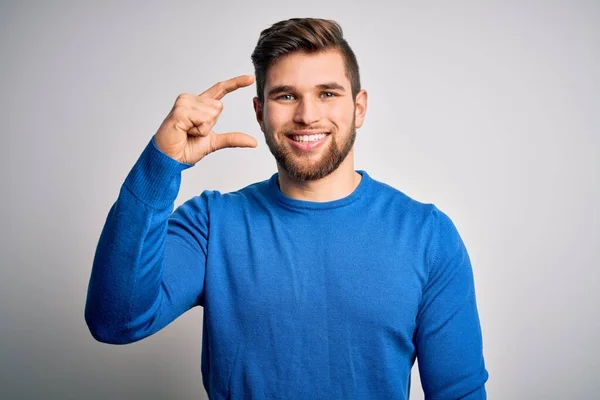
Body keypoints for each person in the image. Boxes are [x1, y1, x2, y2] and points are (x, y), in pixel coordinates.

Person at [85, 17, 488, 399]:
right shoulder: (212, 224)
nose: (307, 115)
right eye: (286, 95)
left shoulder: (427, 235)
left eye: (327, 93)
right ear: (260, 113)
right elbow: (115, 321)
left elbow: (459, 392)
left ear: (359, 107)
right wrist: (161, 164)